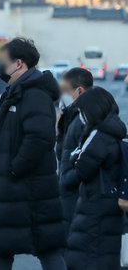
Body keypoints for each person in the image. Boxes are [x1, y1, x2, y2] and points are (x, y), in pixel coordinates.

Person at [0, 38, 66, 270]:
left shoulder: (33, 94)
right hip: (16, 191)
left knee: (45, 248)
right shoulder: (16, 92)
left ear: (18, 63)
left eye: (3, 61)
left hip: (28, 190)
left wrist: (14, 168)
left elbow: (39, 138)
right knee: (3, 249)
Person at [63, 87, 126, 269]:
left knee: (85, 259)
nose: (81, 116)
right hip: (107, 208)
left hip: (95, 209)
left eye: (83, 112)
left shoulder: (99, 135)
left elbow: (81, 166)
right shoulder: (115, 131)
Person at [56, 68, 93, 234]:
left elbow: (80, 161)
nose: (62, 96)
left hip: (78, 198)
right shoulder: (71, 115)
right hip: (70, 198)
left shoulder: (85, 119)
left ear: (80, 91)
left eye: (65, 91)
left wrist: (66, 179)